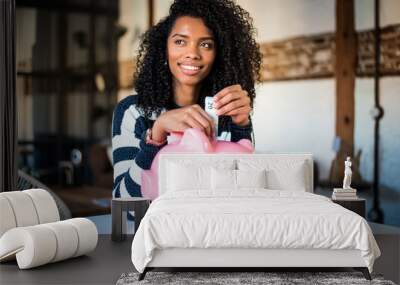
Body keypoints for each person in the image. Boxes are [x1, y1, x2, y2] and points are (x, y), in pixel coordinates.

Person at [112, 0, 262, 202]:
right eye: (180, 41)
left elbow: (242, 190)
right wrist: (157, 132)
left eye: (206, 44)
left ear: (219, 54)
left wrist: (242, 125)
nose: (192, 53)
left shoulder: (225, 111)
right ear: (164, 48)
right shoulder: (133, 111)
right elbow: (124, 200)